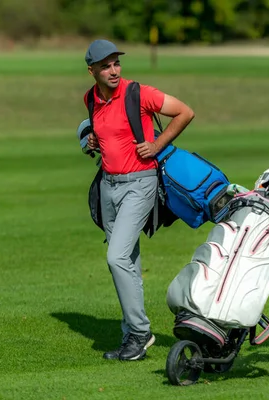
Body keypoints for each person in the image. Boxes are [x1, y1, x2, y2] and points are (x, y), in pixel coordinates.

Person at [82, 39, 195, 361]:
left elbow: (185, 112)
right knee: (126, 261)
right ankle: (132, 335)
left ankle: (141, 332)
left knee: (116, 258)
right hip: (108, 185)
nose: (114, 70)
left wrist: (157, 144)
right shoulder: (90, 98)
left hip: (140, 184)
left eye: (116, 63)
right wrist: (92, 138)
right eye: (106, 66)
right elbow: (105, 133)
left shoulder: (138, 93)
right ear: (92, 71)